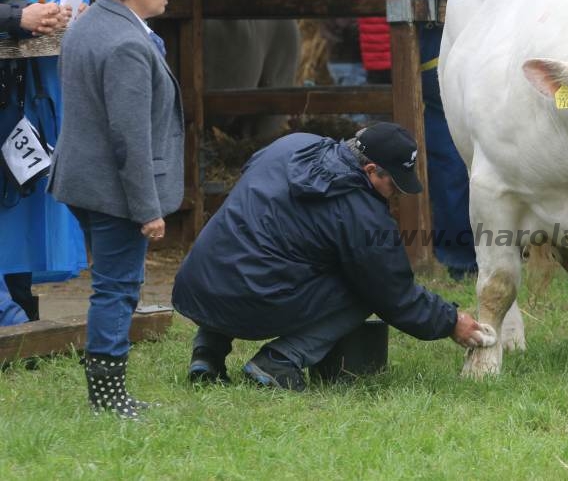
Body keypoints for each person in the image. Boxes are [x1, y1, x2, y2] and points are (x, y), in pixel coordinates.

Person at [171, 124, 490, 392]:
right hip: (249, 299)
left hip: (198, 281)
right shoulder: (360, 213)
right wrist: (450, 322)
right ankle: (279, 361)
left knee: (246, 252)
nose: (394, 194)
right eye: (392, 184)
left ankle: (206, 355)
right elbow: (394, 294)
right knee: (365, 289)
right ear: (369, 170)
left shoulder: (293, 144)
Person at [49, 0, 183, 419]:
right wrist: (147, 210)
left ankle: (107, 392)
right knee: (118, 286)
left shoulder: (91, 21)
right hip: (112, 188)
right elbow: (129, 137)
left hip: (82, 177)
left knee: (112, 282)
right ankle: (108, 397)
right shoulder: (126, 43)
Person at [401, 0, 527, 278]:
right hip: (450, 78)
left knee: (515, 164)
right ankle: (460, 261)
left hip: (510, 80)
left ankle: (515, 254)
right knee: (450, 165)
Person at [0, 0, 85, 325]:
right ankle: (11, 310)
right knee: (11, 197)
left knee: (32, 196)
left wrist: (78, 14)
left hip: (48, 100)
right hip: (11, 99)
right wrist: (25, 17)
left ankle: (22, 305)